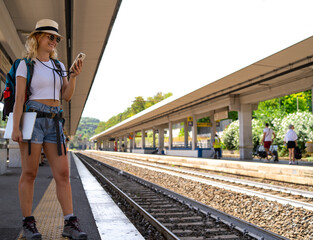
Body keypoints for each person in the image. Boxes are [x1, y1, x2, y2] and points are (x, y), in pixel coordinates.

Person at [11, 19, 87, 240]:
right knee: (30, 173)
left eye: (56, 38)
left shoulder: (59, 66)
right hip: (33, 118)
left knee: (63, 173)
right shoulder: (26, 64)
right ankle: (28, 223)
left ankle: (70, 222)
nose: (54, 41)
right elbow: (18, 100)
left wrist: (72, 76)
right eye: (49, 36)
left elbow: (66, 95)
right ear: (37, 38)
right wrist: (16, 128)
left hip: (55, 121)